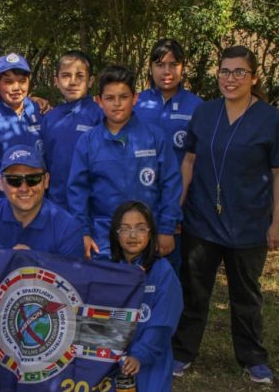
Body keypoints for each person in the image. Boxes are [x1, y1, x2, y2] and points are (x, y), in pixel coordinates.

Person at [172, 45, 279, 384]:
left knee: (246, 295)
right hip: (202, 221)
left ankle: (252, 357)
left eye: (240, 72)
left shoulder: (270, 119)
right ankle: (182, 353)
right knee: (194, 290)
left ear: (253, 77)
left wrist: (278, 220)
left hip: (249, 224)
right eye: (225, 71)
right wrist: (176, 208)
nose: (231, 78)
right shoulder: (205, 113)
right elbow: (189, 162)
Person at [67, 65, 181, 258]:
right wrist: (83, 232)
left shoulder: (154, 137)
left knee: (152, 285)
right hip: (102, 238)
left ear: (135, 99)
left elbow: (170, 184)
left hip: (148, 237)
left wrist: (166, 228)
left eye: (124, 97)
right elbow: (78, 191)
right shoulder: (88, 141)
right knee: (107, 287)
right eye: (110, 98)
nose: (117, 104)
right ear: (99, 102)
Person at [91, 201, 183, 392]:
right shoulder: (108, 269)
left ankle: (148, 391)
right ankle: (127, 388)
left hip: (150, 355)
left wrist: (140, 355)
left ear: (150, 233)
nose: (133, 235)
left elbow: (163, 325)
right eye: (125, 229)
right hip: (115, 357)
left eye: (141, 228)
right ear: (116, 234)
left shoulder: (162, 271)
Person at [135, 39, 203, 272]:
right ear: (151, 68)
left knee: (173, 277)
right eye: (160, 64)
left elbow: (194, 162)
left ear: (183, 68)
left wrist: (175, 213)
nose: (167, 71)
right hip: (139, 205)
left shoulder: (197, 107)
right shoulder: (136, 103)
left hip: (179, 209)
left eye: (173, 64)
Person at [0, 144, 84, 257]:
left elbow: (71, 275)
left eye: (33, 179)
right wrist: (3, 259)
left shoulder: (68, 230)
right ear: (2, 183)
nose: (24, 188)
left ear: (46, 180)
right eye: (14, 180)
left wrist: (35, 263)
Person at [41, 50, 104, 211]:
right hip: (56, 205)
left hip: (91, 205)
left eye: (80, 76)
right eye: (66, 75)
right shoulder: (49, 118)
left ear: (90, 81)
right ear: (56, 80)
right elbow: (45, 162)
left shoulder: (99, 115)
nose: (73, 82)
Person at [0, 53, 43, 204]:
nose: (16, 88)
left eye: (22, 81)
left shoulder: (41, 112)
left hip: (39, 200)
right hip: (5, 201)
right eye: (8, 81)